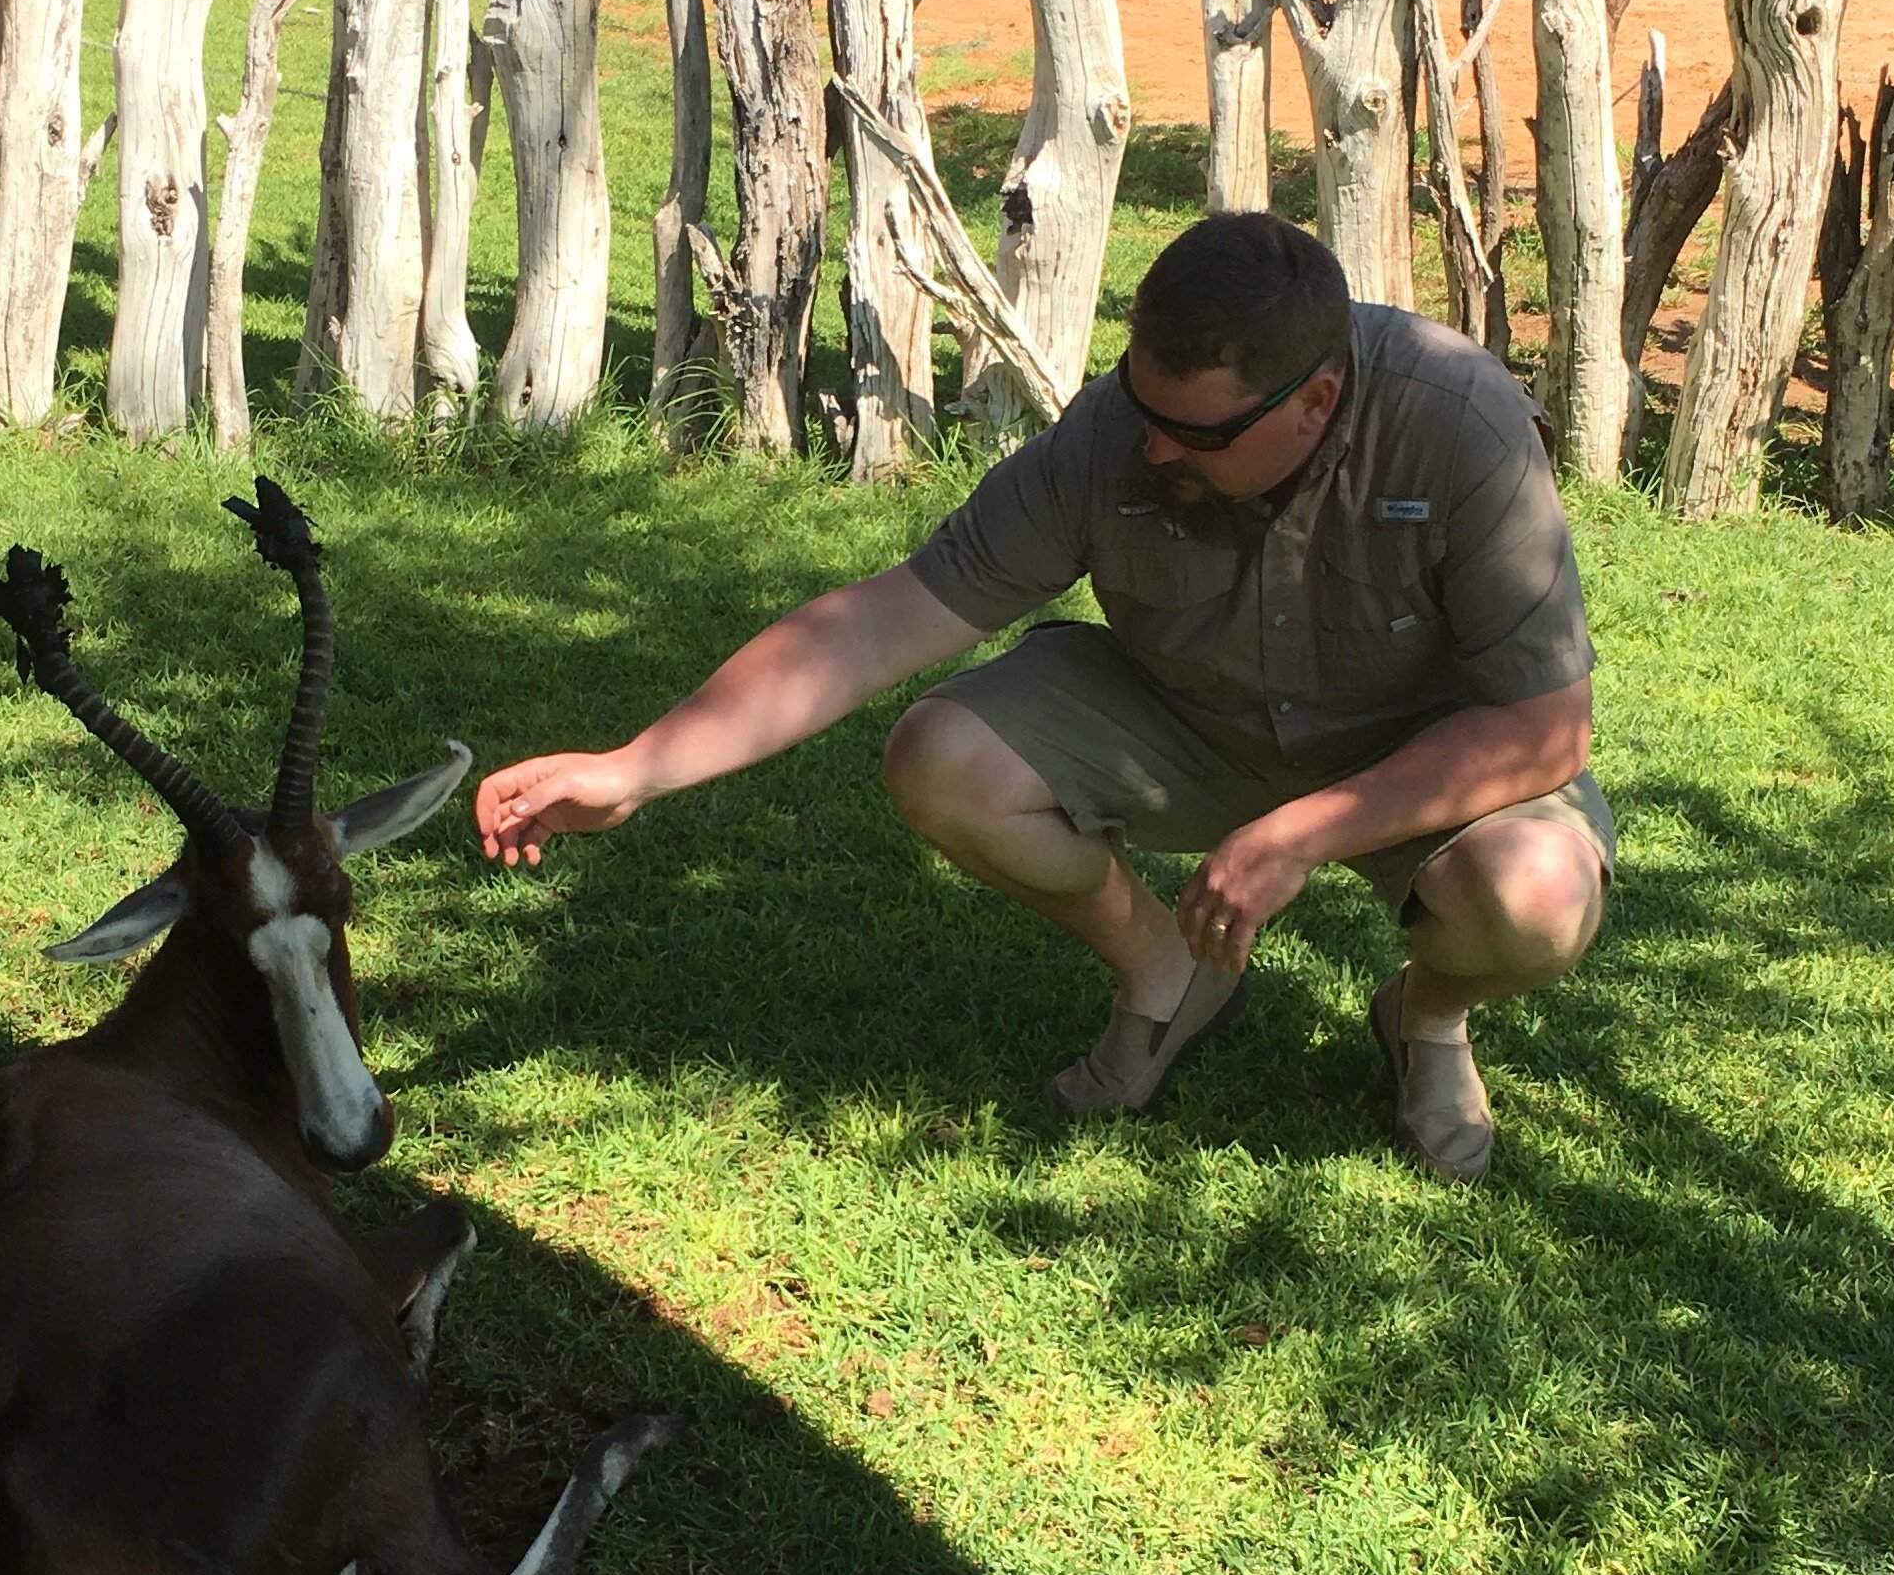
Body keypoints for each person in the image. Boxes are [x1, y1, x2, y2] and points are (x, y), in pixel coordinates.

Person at [473, 215, 1611, 1180]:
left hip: (1413, 762)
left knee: (1538, 895)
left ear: (1314, 404)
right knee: (943, 756)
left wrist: (1307, 832)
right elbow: (883, 618)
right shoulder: (1127, 431)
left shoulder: (1458, 421)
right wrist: (637, 766)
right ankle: (1171, 975)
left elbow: (1547, 726)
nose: (1154, 450)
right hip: (1195, 724)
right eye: (1142, 407)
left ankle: (1428, 1013)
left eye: (1198, 432)